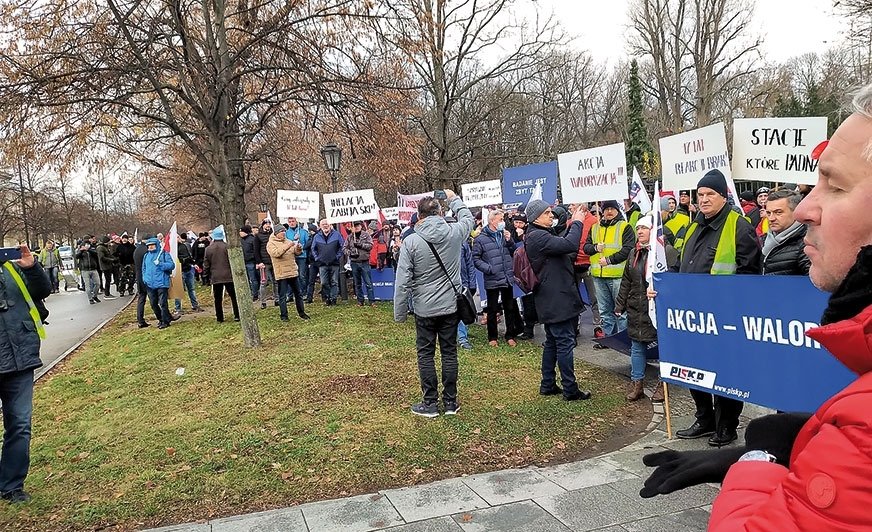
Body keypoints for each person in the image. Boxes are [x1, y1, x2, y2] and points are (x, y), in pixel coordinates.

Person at [641, 84, 872, 530]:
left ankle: (724, 423)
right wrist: (802, 444)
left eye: (835, 185)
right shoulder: (690, 229)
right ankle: (710, 420)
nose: (806, 207)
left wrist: (757, 461)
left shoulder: (862, 427)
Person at [674, 169, 761, 446]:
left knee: (725, 372)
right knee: (694, 368)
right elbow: (680, 266)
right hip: (693, 315)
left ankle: (726, 425)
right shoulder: (692, 226)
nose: (704, 199)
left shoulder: (739, 225)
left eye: (710, 194)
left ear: (723, 196)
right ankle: (704, 418)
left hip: (725, 315)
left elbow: (750, 272)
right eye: (700, 195)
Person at [394, 191, 474, 417]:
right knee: (449, 353)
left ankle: (430, 403)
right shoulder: (454, 232)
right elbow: (467, 218)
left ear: (419, 216)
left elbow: (402, 281)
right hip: (450, 305)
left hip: (424, 308)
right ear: (440, 213)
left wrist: (399, 313)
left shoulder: (410, 241)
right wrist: (454, 198)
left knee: (426, 354)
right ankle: (450, 402)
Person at [524, 199, 591, 401]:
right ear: (536, 217)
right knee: (564, 343)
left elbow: (564, 245)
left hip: (552, 297)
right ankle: (570, 389)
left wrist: (571, 219)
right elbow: (570, 244)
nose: (551, 216)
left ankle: (548, 384)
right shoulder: (537, 236)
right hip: (555, 298)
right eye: (547, 213)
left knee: (552, 342)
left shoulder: (540, 234)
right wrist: (578, 222)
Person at [0, 244, 51, 503]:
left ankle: (12, 485)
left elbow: (42, 291)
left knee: (20, 425)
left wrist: (31, 267)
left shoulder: (11, 266)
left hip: (20, 358)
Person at [614, 215, 678, 402]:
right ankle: (637, 383)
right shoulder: (634, 253)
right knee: (636, 346)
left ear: (653, 230)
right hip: (637, 307)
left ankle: (662, 384)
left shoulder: (667, 252)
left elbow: (674, 281)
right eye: (638, 228)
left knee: (662, 348)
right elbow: (627, 280)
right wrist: (620, 304)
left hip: (658, 309)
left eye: (644, 228)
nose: (640, 231)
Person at [582, 200, 635, 337]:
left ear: (617, 210)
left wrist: (609, 260)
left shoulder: (625, 227)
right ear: (602, 211)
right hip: (598, 276)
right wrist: (595, 248)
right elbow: (585, 248)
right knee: (604, 311)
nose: (609, 211)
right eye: (606, 209)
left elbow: (628, 250)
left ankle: (624, 339)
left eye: (612, 209)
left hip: (618, 276)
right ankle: (608, 337)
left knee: (621, 311)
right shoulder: (595, 227)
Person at [472, 209, 523, 347]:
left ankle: (510, 335)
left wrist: (510, 240)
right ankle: (492, 337)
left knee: (510, 307)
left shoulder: (504, 235)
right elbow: (475, 258)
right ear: (492, 221)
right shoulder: (481, 239)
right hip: (493, 278)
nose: (503, 223)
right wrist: (488, 268)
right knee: (493, 309)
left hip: (507, 276)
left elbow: (514, 252)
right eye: (500, 220)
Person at [762, 189, 810, 276]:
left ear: (796, 212)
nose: (771, 218)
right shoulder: (763, 239)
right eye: (768, 213)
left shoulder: (807, 244)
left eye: (778, 212)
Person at [573, 203, 602, 338]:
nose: (570, 207)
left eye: (573, 204)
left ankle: (598, 326)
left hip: (590, 263)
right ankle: (575, 325)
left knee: (594, 297)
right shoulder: (571, 222)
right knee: (574, 297)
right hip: (574, 264)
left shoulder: (595, 222)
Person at [267, 226, 309, 321]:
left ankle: (302, 312)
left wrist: (298, 248)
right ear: (276, 233)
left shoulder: (288, 241)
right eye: (281, 231)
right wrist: (288, 246)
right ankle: (284, 315)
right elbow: (276, 254)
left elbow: (296, 252)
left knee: (298, 294)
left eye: (284, 231)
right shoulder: (271, 244)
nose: (283, 233)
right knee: (282, 296)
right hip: (281, 273)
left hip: (292, 272)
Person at [203, 225, 240, 323]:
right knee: (234, 297)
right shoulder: (227, 247)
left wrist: (205, 276)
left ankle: (220, 318)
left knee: (218, 299)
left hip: (216, 276)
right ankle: (237, 315)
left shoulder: (208, 249)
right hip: (229, 275)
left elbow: (206, 264)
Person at [141, 237, 175, 329]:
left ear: (156, 245)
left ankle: (165, 321)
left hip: (161, 283)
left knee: (163, 303)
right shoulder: (146, 256)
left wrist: (160, 264)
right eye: (149, 246)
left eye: (152, 245)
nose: (150, 247)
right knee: (153, 303)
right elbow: (143, 268)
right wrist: (145, 278)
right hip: (150, 284)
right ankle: (160, 319)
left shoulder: (164, 254)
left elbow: (171, 265)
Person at [311, 219, 344, 306]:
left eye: (327, 224)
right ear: (320, 226)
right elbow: (313, 248)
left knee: (334, 282)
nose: (325, 225)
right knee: (324, 282)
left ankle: (333, 299)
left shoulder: (337, 235)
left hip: (334, 263)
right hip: (322, 264)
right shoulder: (317, 236)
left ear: (330, 225)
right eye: (323, 224)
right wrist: (317, 258)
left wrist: (337, 256)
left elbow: (342, 247)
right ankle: (328, 297)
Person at [344, 221, 375, 306]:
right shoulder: (350, 237)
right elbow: (344, 248)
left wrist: (361, 245)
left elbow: (370, 246)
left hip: (364, 262)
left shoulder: (366, 235)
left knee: (368, 283)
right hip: (354, 262)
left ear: (361, 226)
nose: (356, 227)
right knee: (357, 283)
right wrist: (350, 252)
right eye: (355, 226)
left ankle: (372, 301)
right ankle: (360, 301)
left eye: (358, 225)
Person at [173, 231, 202, 315]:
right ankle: (178, 308)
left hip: (188, 269)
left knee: (191, 289)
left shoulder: (183, 246)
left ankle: (195, 305)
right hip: (179, 271)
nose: (179, 238)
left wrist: (193, 264)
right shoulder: (173, 249)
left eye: (178, 237)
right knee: (179, 291)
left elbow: (188, 257)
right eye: (177, 237)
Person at [457, 235, 476, 350]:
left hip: (462, 282)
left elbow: (470, 263)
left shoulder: (463, 243)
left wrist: (472, 284)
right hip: (446, 284)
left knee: (462, 310)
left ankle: (462, 338)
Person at [254, 218, 278, 308]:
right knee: (264, 282)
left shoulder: (273, 235)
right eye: (266, 224)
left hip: (274, 261)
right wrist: (259, 262)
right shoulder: (258, 236)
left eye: (269, 223)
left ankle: (277, 299)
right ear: (263, 225)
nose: (268, 225)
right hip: (264, 263)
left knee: (276, 282)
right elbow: (256, 250)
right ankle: (263, 302)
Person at [284, 217, 310, 303]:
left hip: (302, 257)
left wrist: (302, 247)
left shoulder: (303, 232)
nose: (291, 223)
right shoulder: (286, 233)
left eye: (293, 221)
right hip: (291, 257)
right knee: (291, 276)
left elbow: (308, 243)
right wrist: (293, 240)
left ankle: (303, 293)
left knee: (302, 275)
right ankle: (290, 294)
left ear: (296, 221)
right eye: (290, 222)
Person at [76, 236, 101, 304]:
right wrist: (81, 251)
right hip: (85, 270)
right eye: (86, 244)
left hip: (93, 269)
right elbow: (76, 256)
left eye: (88, 244)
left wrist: (88, 250)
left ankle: (94, 296)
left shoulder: (92, 249)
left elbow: (96, 254)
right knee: (88, 286)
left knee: (97, 283)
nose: (87, 245)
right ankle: (90, 299)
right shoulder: (80, 250)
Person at [133, 234, 151, 328]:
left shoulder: (137, 250)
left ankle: (140, 320)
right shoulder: (147, 251)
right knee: (154, 298)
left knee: (141, 299)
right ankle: (163, 317)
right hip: (147, 277)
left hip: (139, 276)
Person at [239, 225, 259, 301]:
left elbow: (256, 251)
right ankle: (249, 293)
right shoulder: (241, 240)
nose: (240, 233)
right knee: (246, 279)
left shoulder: (252, 239)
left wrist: (256, 261)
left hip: (251, 262)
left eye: (241, 231)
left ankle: (255, 294)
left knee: (253, 279)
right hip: (243, 262)